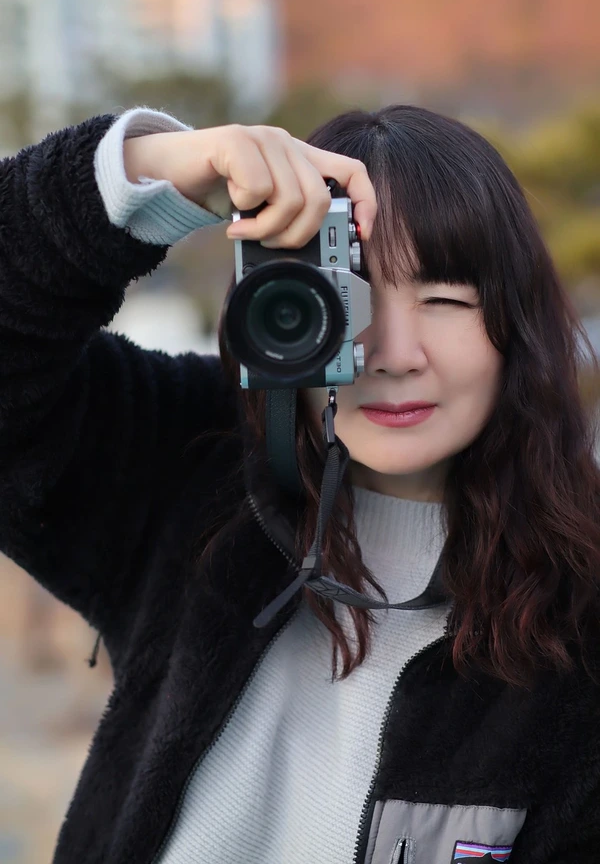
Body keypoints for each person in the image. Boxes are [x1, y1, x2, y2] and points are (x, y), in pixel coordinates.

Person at [0, 103, 599, 864]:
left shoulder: (582, 613)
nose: (393, 354)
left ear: (517, 325)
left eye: (445, 300)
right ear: (268, 306)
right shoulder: (190, 470)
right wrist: (152, 171)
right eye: (345, 294)